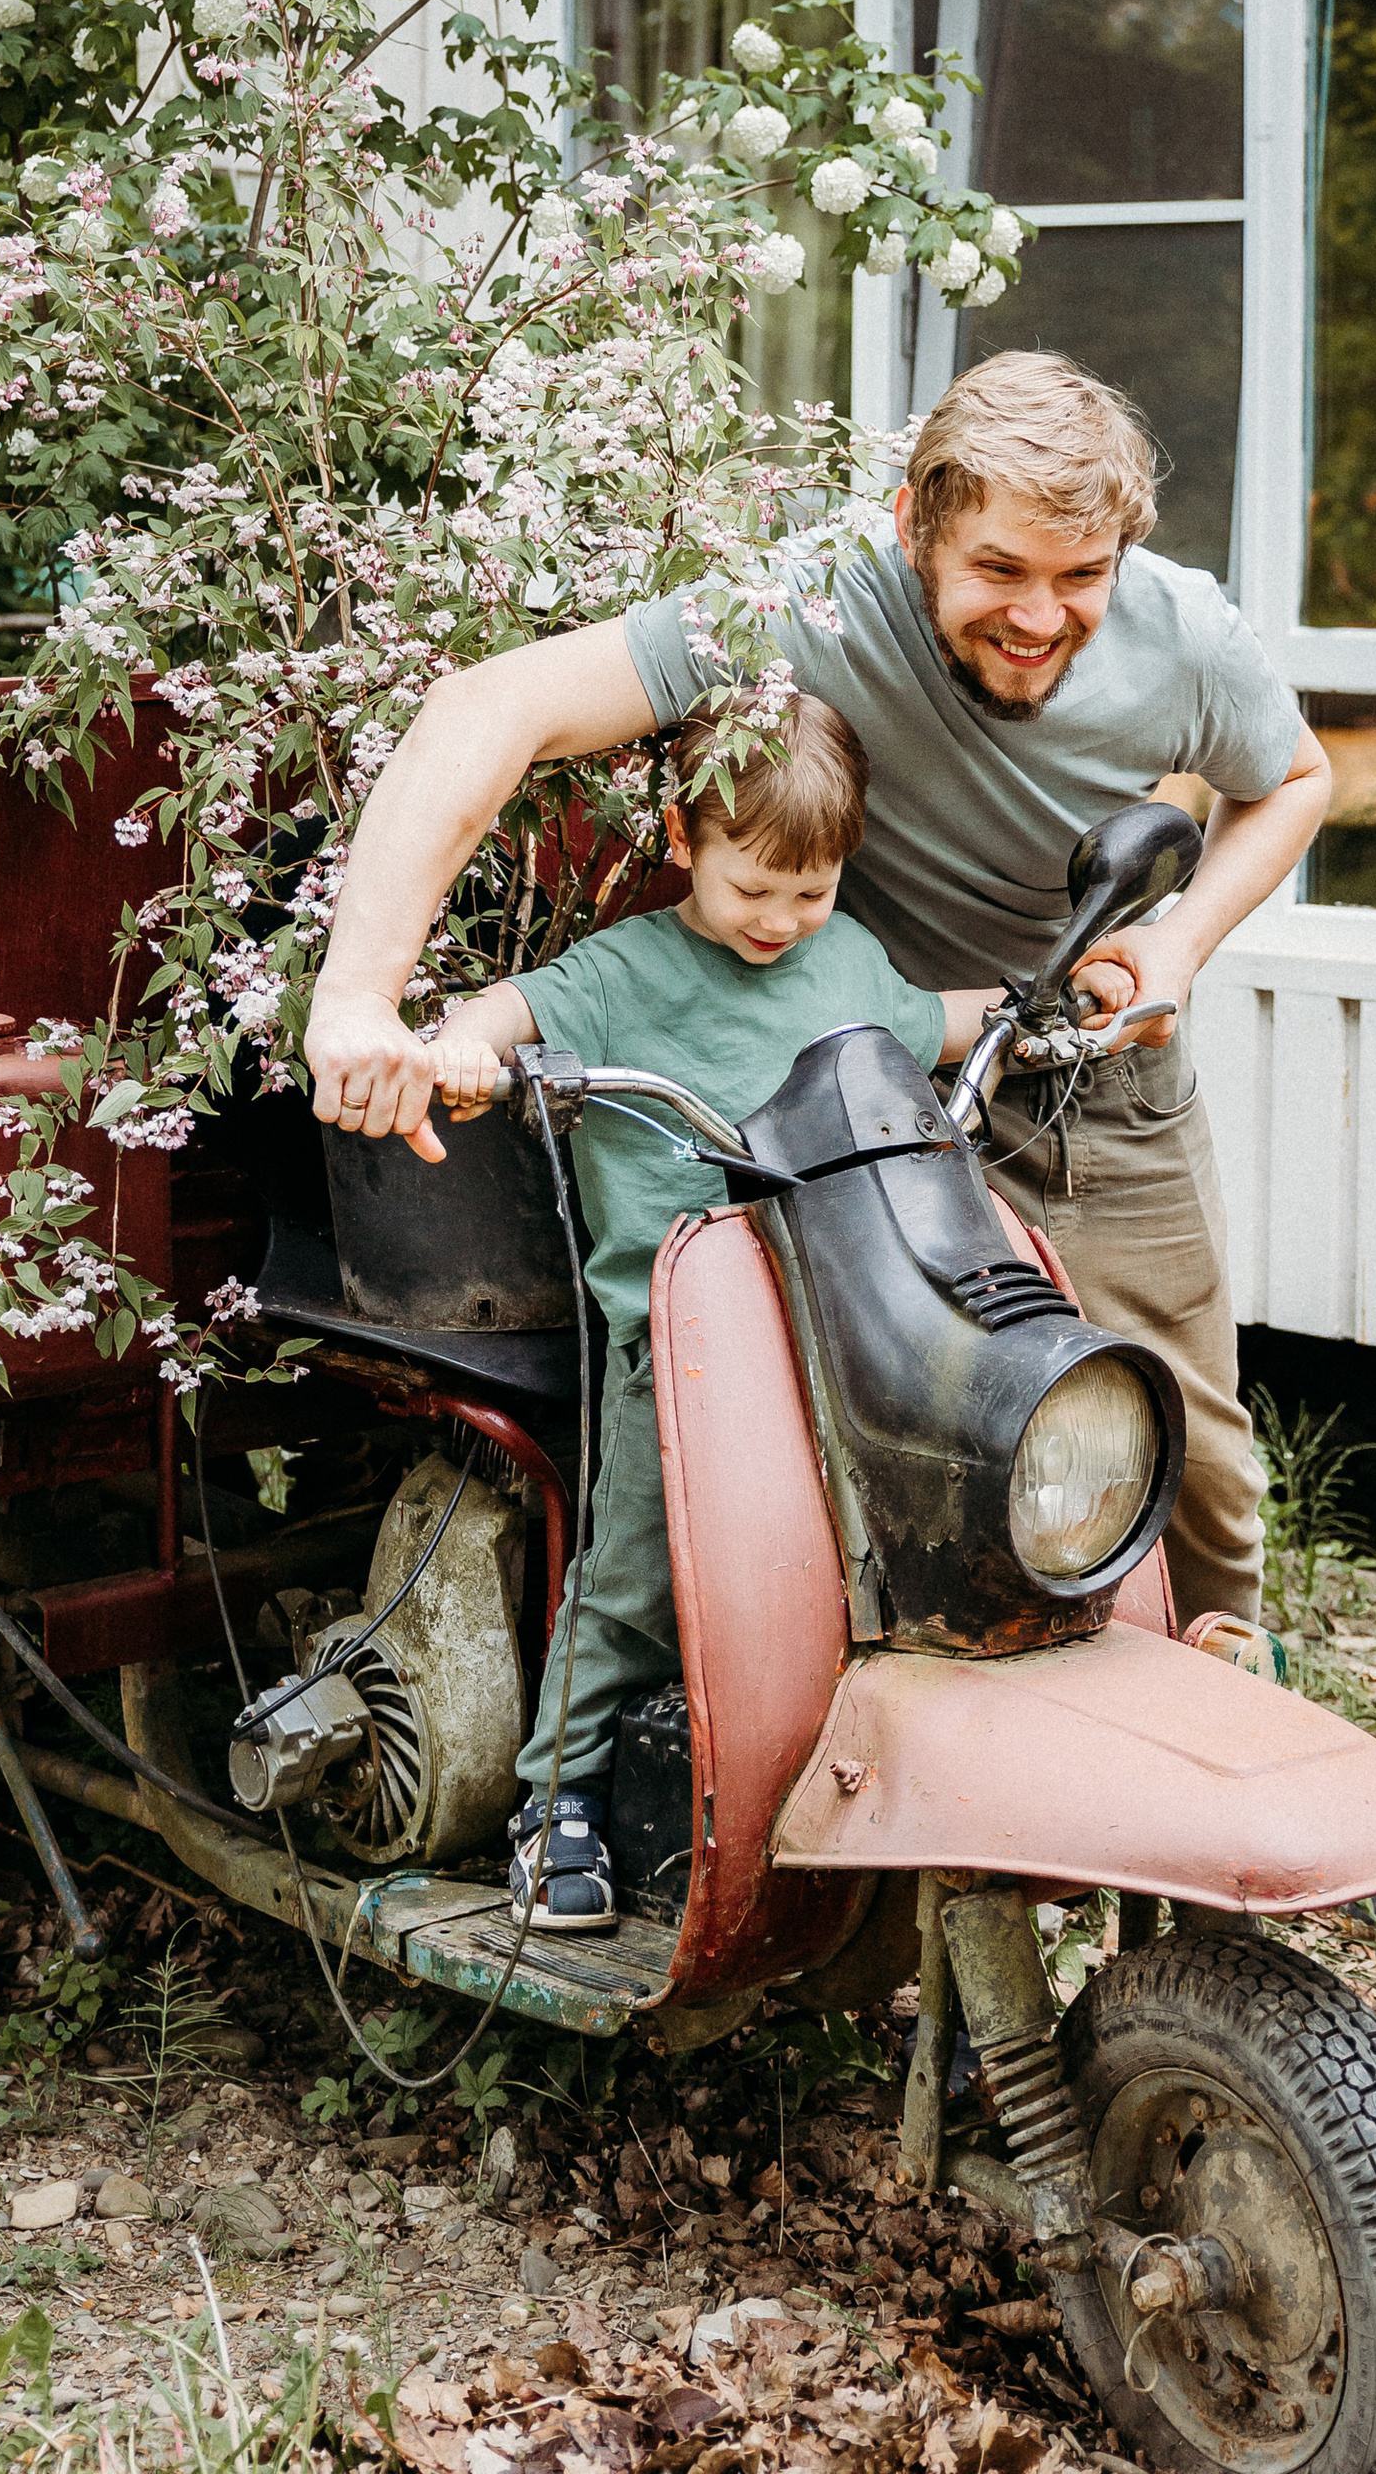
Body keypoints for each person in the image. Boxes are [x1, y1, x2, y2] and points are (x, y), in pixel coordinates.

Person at [308, 349, 1334, 1639]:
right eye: (999, 571)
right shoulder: (814, 600)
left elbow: (1293, 780)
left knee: (1180, 1439)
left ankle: (1227, 1728)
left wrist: (1177, 946)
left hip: (1082, 1067)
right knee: (871, 1436)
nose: (1038, 617)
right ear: (912, 527)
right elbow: (491, 706)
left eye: (1080, 578)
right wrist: (358, 997)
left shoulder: (1183, 636)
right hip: (853, 1081)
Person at [423, 689, 999, 1931]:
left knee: (877, 1561)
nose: (783, 923)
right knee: (633, 1572)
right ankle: (554, 1798)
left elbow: (927, 1026)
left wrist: (1031, 1010)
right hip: (680, 1347)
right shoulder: (627, 969)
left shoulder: (843, 960)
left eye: (813, 891)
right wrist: (469, 1038)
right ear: (684, 841)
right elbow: (516, 1009)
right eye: (754, 890)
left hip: (847, 1330)